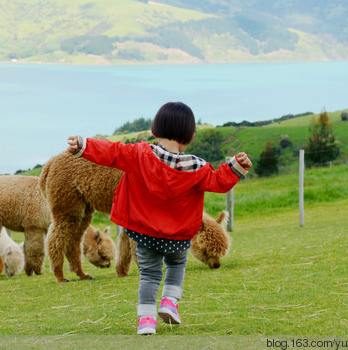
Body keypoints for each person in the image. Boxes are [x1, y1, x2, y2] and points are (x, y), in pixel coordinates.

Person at [66, 101, 251, 335]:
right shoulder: (197, 167)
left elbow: (112, 152)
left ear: (155, 130)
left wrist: (84, 145)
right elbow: (218, 181)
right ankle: (170, 303)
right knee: (176, 265)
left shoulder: (139, 154)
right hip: (178, 237)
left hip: (144, 235)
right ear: (191, 136)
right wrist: (235, 166)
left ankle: (146, 321)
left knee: (150, 275)